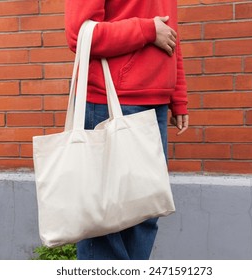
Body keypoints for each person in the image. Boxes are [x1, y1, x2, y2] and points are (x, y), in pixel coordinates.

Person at [65, 0, 189, 260]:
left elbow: (170, 33)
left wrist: (177, 96)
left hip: (154, 101)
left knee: (145, 212)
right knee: (107, 219)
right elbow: (80, 34)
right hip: (112, 102)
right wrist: (147, 31)